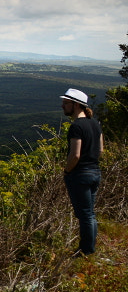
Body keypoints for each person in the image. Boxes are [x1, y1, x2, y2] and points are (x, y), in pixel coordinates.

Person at [61, 87, 102, 256]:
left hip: (81, 174)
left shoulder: (76, 127)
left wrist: (67, 170)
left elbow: (75, 154)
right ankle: (89, 248)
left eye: (66, 103)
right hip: (95, 172)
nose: (63, 106)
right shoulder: (95, 124)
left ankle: (86, 250)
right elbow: (100, 150)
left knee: (84, 215)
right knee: (89, 213)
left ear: (76, 105)